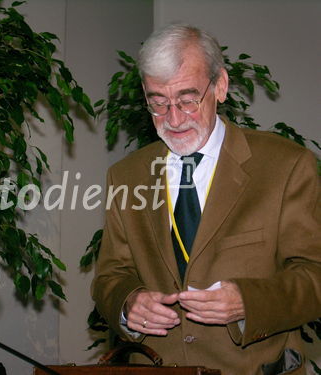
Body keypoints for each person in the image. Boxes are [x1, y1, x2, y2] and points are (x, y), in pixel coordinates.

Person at [92, 24, 320, 374]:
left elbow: (314, 275)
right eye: (158, 103)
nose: (174, 118)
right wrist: (128, 303)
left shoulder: (285, 166)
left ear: (221, 86)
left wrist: (248, 303)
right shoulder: (126, 175)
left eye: (187, 99)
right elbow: (110, 275)